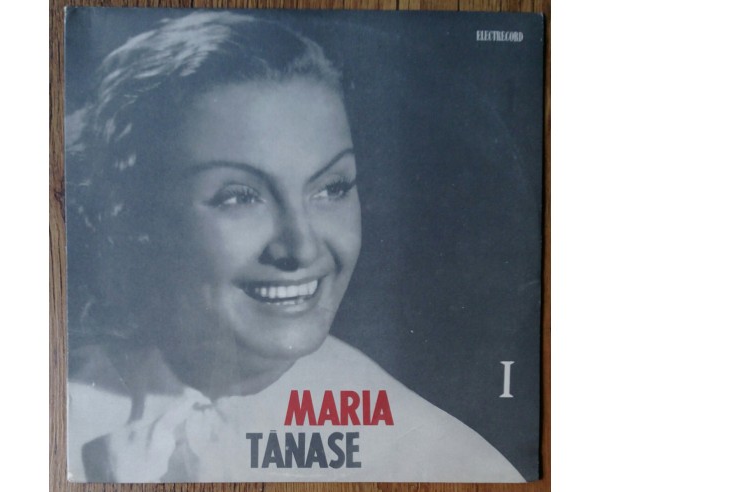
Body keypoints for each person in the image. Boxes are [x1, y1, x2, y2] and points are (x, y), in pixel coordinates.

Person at [65, 11, 523, 483]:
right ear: (133, 213)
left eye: (331, 188)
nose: (302, 248)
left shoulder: (445, 462)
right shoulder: (58, 408)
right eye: (240, 197)